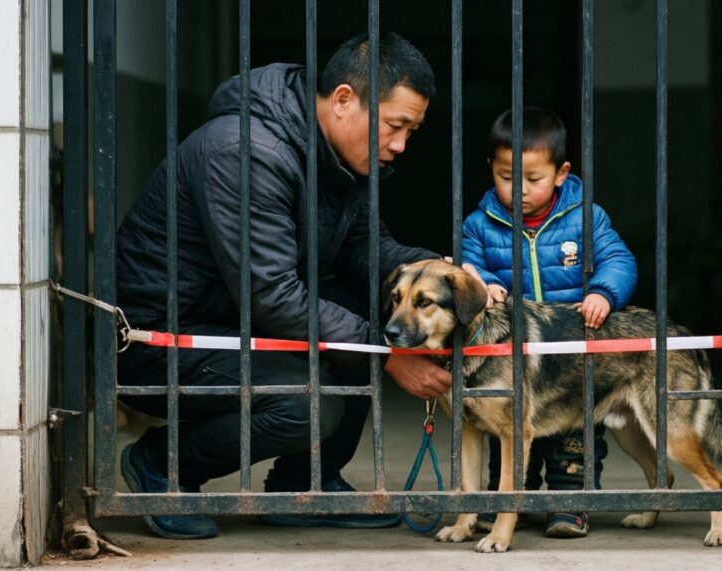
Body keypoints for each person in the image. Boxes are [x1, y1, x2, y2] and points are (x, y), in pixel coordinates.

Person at [114, 32, 462, 540]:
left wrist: (435, 268)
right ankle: (162, 466)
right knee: (309, 402)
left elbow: (365, 249)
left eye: (411, 130)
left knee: (374, 308)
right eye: (394, 126)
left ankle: (305, 486)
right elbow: (272, 295)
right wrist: (386, 356)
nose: (400, 145)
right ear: (343, 99)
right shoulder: (246, 152)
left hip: (229, 313)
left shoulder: (339, 155)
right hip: (161, 335)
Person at [460, 106, 638, 538]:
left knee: (572, 438)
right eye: (506, 177)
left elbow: (618, 259)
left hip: (570, 354)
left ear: (561, 173)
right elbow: (467, 268)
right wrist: (483, 285)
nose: (519, 189)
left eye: (533, 179)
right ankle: (506, 502)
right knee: (507, 435)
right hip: (510, 358)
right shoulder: (480, 225)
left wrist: (603, 292)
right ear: (491, 169)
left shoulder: (585, 217)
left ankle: (569, 503)